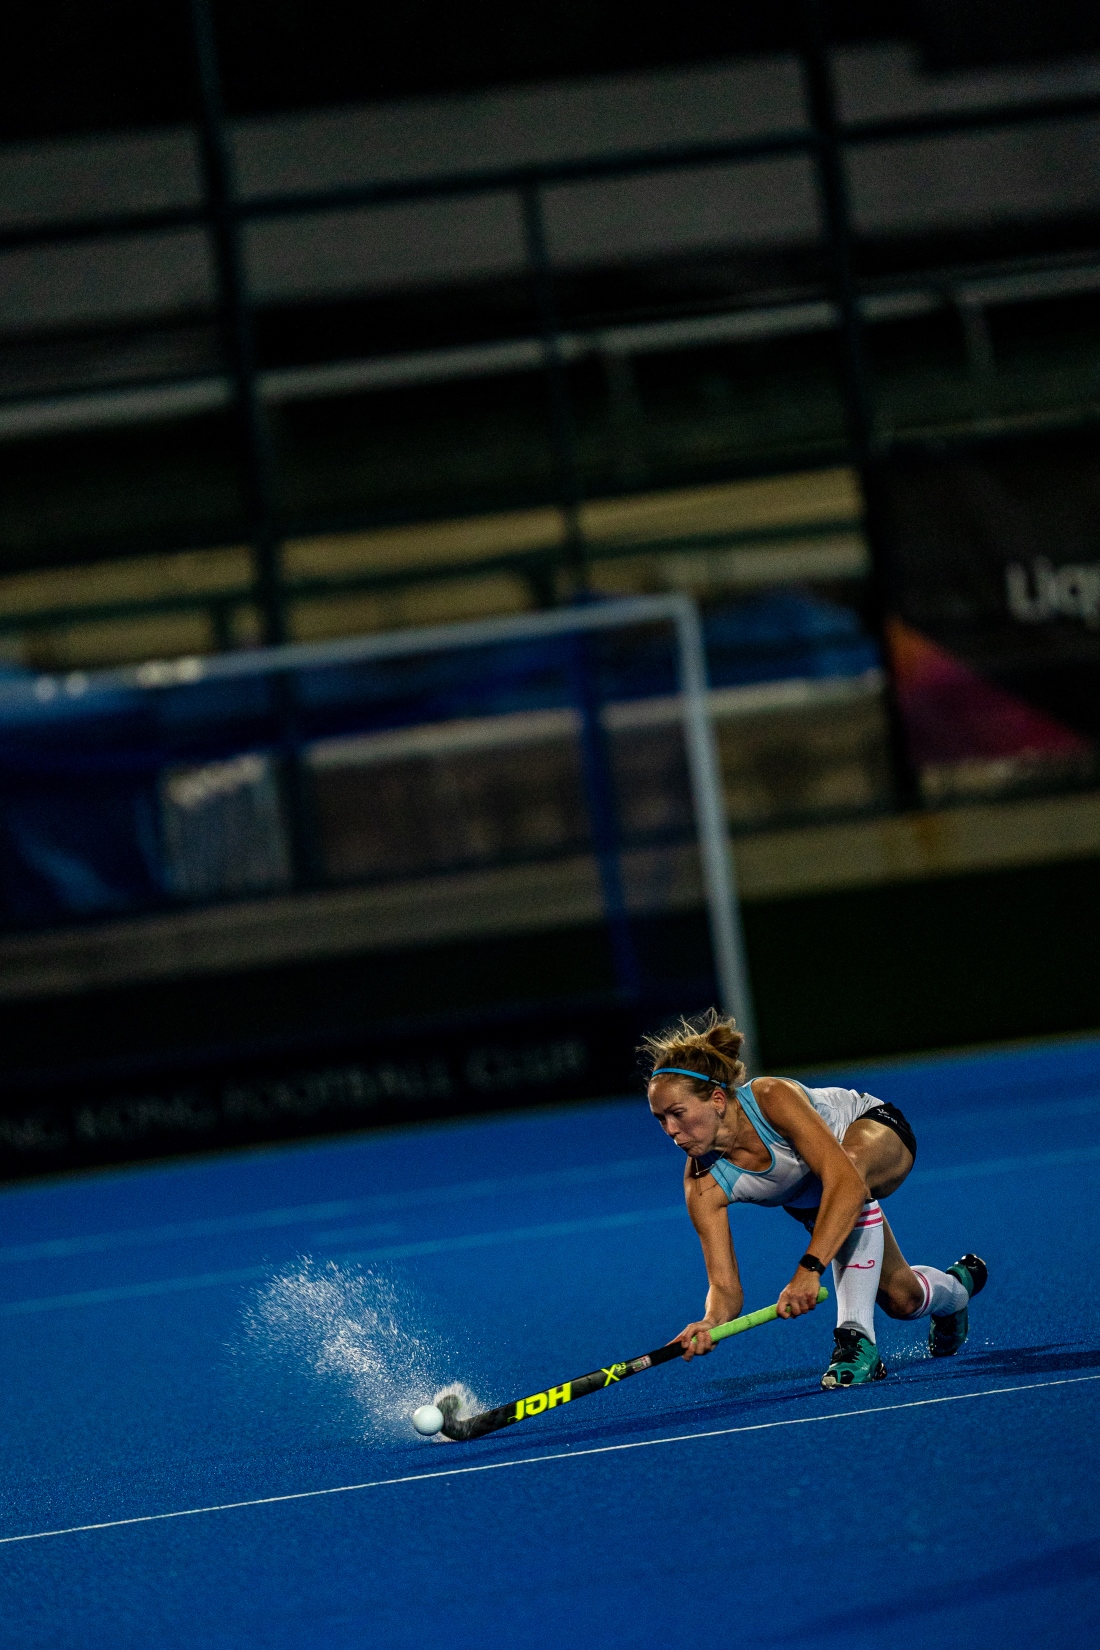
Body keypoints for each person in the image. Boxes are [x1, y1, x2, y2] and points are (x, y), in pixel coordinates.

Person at [642, 1010, 986, 1389]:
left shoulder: (771, 1098)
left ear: (718, 1099)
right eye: (660, 1119)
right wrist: (710, 1322)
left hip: (873, 1131)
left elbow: (847, 1184)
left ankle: (855, 1341)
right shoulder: (701, 1184)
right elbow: (725, 1288)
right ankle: (955, 1292)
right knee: (902, 1300)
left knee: (849, 1174)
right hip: (823, 1195)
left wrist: (809, 1270)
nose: (670, 1130)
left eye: (677, 1113)